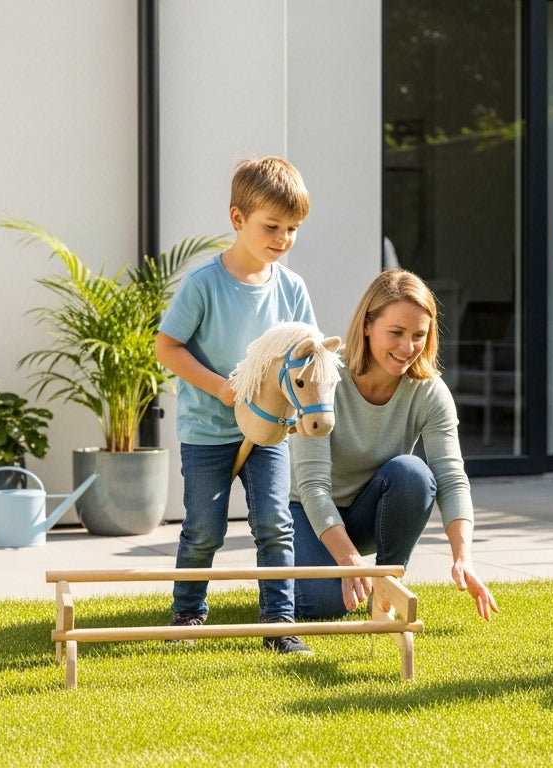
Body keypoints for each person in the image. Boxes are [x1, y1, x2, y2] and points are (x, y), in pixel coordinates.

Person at [155, 156, 318, 654]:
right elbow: (167, 347)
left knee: (274, 521)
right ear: (237, 219)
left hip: (267, 431)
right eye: (272, 226)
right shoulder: (205, 284)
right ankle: (187, 613)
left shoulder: (291, 289)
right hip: (208, 428)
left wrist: (294, 407)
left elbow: (305, 354)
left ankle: (279, 626)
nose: (282, 239)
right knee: (205, 527)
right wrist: (219, 388)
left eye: (292, 229)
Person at [289, 268, 499, 622]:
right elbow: (312, 487)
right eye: (396, 333)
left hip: (365, 513)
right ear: (367, 325)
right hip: (308, 514)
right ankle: (289, 573)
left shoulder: (429, 392)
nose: (408, 348)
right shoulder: (322, 377)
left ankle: (386, 584)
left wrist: (463, 556)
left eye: (419, 335)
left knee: (414, 473)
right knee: (322, 607)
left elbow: (450, 476)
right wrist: (348, 560)